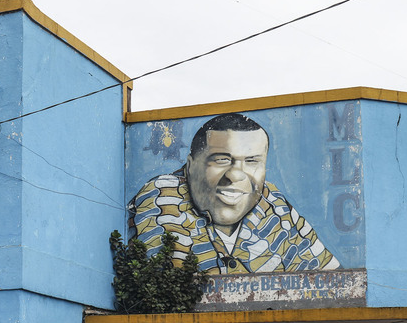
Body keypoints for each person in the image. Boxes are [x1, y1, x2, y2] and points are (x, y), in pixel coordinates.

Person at [128, 113, 340, 275]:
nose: (236, 175)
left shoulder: (274, 205)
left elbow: (330, 282)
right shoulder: (163, 194)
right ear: (191, 166)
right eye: (221, 159)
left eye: (252, 161)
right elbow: (171, 286)